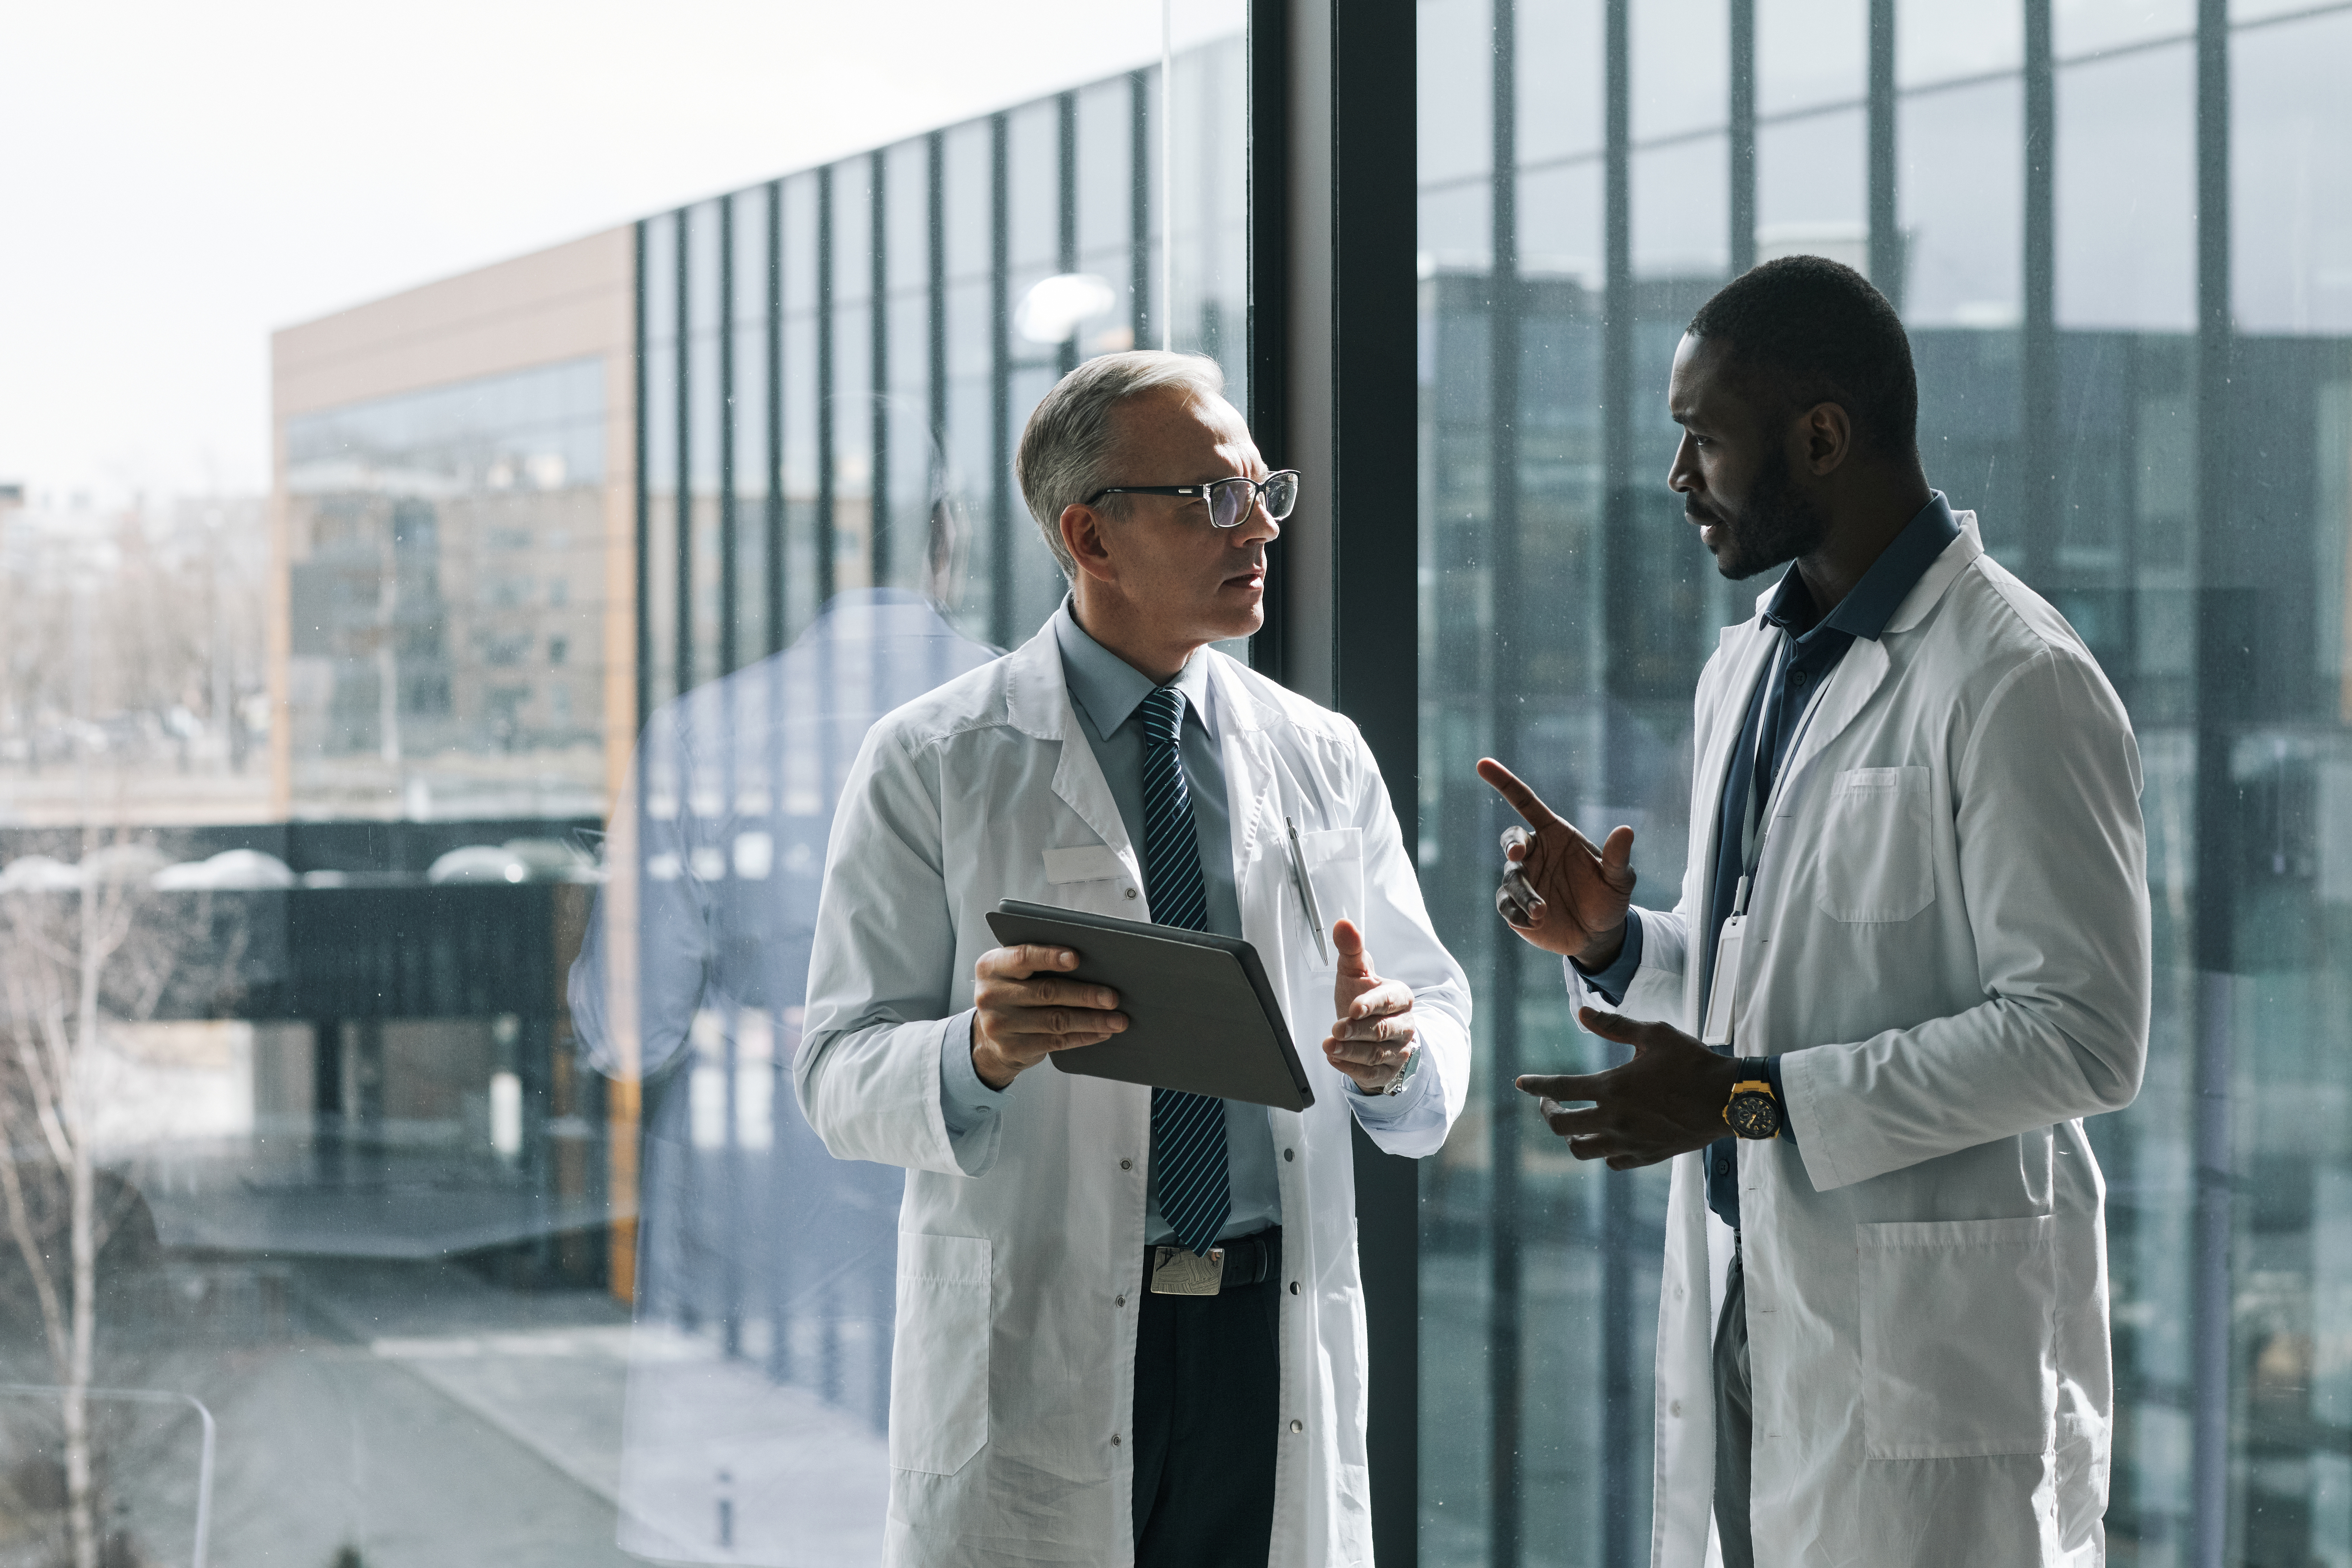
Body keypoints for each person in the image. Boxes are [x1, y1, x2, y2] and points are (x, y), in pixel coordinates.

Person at [1480, 257, 2149, 1566]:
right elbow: (1767, 992)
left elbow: (2081, 1038)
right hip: (1753, 1291)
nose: (1678, 482)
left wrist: (1747, 1101)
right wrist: (1617, 945)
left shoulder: (2017, 680)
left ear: (1823, 437)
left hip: (1928, 1353)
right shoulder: (1750, 669)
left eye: (1704, 440)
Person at [794, 349, 1470, 1567]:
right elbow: (835, 1072)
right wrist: (975, 1053)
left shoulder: (1319, 753)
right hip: (1039, 1335)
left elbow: (1433, 1014)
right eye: (1217, 499)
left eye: (1268, 491)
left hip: (1267, 1336)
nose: (1259, 525)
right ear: (1090, 538)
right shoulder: (934, 760)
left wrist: (1396, 1051)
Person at [569, 408, 1001, 1562]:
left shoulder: (706, 735)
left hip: (756, 1260)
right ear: (946, 538)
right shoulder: (1036, 719)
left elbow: (625, 1028)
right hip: (984, 1234)